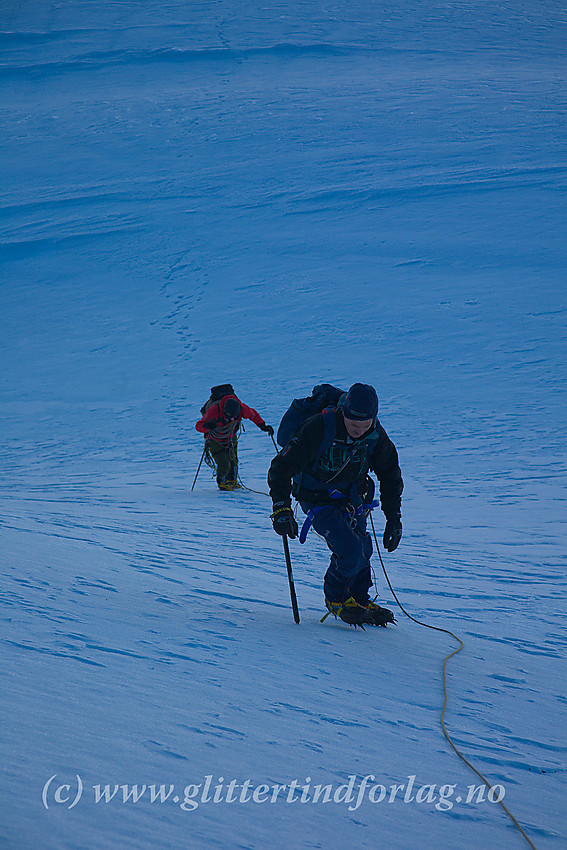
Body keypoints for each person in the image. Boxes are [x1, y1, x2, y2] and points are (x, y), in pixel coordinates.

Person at [268, 383, 403, 627]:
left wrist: (394, 518)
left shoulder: (375, 434)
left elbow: (390, 474)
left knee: (363, 549)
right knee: (350, 549)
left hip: (353, 499)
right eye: (354, 425)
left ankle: (359, 598)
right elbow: (280, 467)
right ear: (344, 413)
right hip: (317, 498)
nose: (359, 431)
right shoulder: (319, 427)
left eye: (365, 425)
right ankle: (337, 598)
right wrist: (281, 508)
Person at [196, 391, 274, 490]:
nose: (232, 419)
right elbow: (198, 426)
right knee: (224, 462)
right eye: (229, 416)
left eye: (234, 416)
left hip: (231, 438)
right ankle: (223, 483)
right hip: (215, 439)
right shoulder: (213, 410)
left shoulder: (242, 408)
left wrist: (263, 426)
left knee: (233, 461)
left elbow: (253, 415)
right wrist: (207, 426)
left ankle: (233, 481)